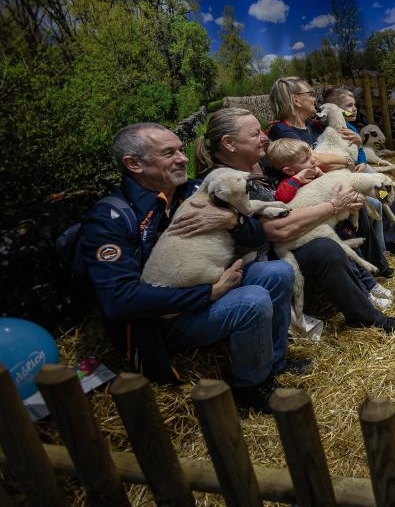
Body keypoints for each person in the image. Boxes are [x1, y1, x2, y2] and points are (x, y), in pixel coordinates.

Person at [79, 122, 302, 413]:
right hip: (165, 319)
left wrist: (231, 222)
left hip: (212, 283)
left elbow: (258, 237)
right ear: (134, 164)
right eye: (169, 153)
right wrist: (208, 292)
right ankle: (250, 386)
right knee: (253, 300)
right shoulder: (110, 219)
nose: (183, 159)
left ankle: (274, 362)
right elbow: (119, 300)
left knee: (278, 272)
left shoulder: (198, 190)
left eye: (181, 150)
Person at [196, 107, 395, 335]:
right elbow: (277, 229)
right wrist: (333, 206)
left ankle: (379, 267)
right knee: (327, 245)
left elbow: (312, 161)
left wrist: (351, 155)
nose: (264, 137)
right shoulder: (229, 183)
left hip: (295, 229)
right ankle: (366, 311)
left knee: (365, 208)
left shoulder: (261, 164)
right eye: (255, 134)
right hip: (263, 260)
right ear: (229, 144)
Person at [266, 77, 393, 277]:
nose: (314, 98)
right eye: (310, 93)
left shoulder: (314, 126)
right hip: (319, 190)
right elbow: (314, 158)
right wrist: (345, 161)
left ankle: (390, 241)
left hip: (340, 177)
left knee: (380, 193)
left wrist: (358, 144)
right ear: (296, 100)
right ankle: (378, 264)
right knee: (372, 200)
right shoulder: (281, 130)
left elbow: (336, 146)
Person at [266, 137, 394, 310]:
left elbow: (332, 185)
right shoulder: (288, 183)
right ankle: (365, 295)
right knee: (349, 262)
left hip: (338, 222)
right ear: (288, 170)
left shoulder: (315, 172)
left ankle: (371, 284)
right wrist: (297, 179)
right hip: (319, 229)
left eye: (310, 156)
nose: (312, 161)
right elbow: (282, 197)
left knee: (357, 254)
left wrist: (321, 176)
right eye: (305, 160)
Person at [320, 85, 395, 256]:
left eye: (354, 105)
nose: (354, 109)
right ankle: (381, 247)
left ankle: (392, 236)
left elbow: (360, 150)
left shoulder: (352, 127)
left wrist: (362, 162)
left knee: (386, 193)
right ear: (335, 109)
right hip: (351, 175)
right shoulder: (333, 131)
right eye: (348, 106)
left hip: (363, 170)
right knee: (379, 200)